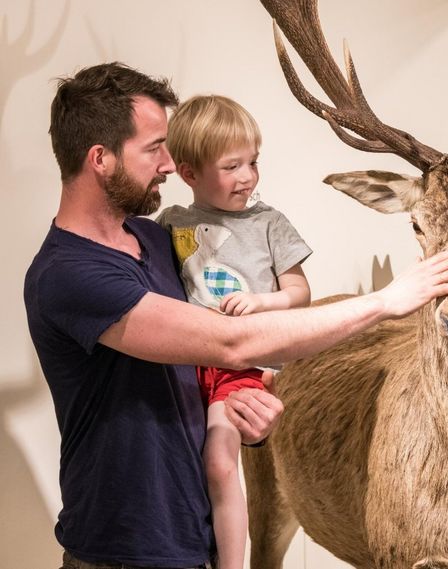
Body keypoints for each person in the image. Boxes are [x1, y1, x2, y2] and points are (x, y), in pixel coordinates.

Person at [23, 62, 448, 569]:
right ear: (100, 159)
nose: (170, 165)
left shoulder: (158, 240)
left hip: (194, 540)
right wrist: (386, 301)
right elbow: (229, 342)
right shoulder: (70, 275)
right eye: (154, 148)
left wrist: (247, 414)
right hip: (121, 553)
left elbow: (202, 367)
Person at [157, 95, 312, 569]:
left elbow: (300, 293)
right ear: (189, 173)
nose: (248, 176)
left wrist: (262, 303)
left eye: (253, 162)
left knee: (222, 463)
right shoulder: (170, 224)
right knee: (178, 465)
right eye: (232, 166)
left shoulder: (270, 223)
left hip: (239, 365)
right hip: (184, 364)